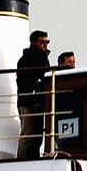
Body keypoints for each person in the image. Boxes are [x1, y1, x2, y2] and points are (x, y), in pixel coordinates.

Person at [15, 31, 54, 159]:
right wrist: (34, 98)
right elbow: (24, 82)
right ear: (33, 42)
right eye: (42, 42)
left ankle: (33, 159)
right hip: (28, 102)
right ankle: (22, 160)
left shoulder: (43, 59)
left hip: (39, 102)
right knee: (28, 134)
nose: (45, 45)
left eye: (47, 42)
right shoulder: (26, 60)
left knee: (37, 136)